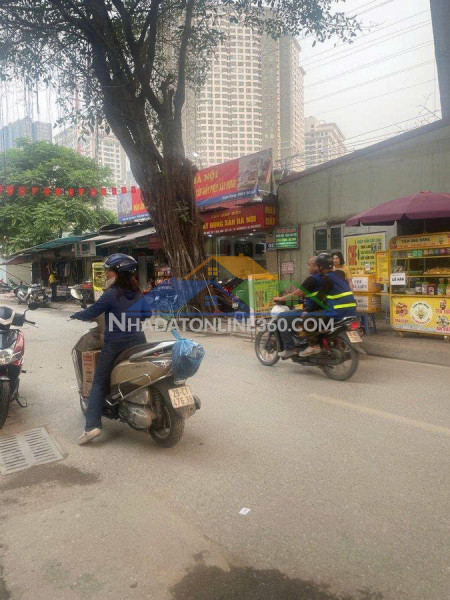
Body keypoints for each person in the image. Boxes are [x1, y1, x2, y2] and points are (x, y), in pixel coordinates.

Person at [70, 253, 152, 445]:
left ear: (117, 273)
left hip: (116, 343)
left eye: (109, 270)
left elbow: (91, 312)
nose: (106, 273)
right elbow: (147, 314)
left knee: (99, 381)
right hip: (138, 340)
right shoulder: (137, 293)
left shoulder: (111, 294)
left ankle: (92, 426)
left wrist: (77, 315)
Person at [297, 253, 357, 357]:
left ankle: (314, 346)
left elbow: (319, 298)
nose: (317, 268)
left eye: (318, 266)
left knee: (308, 319)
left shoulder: (326, 278)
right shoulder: (339, 275)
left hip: (338, 312)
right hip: (351, 311)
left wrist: (308, 311)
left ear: (321, 267)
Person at [272, 256, 323, 358]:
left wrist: (281, 298)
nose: (308, 267)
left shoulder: (312, 279)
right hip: (323, 310)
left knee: (282, 317)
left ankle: (289, 348)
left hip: (312, 311)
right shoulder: (325, 278)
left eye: (309, 265)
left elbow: (297, 294)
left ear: (316, 266)